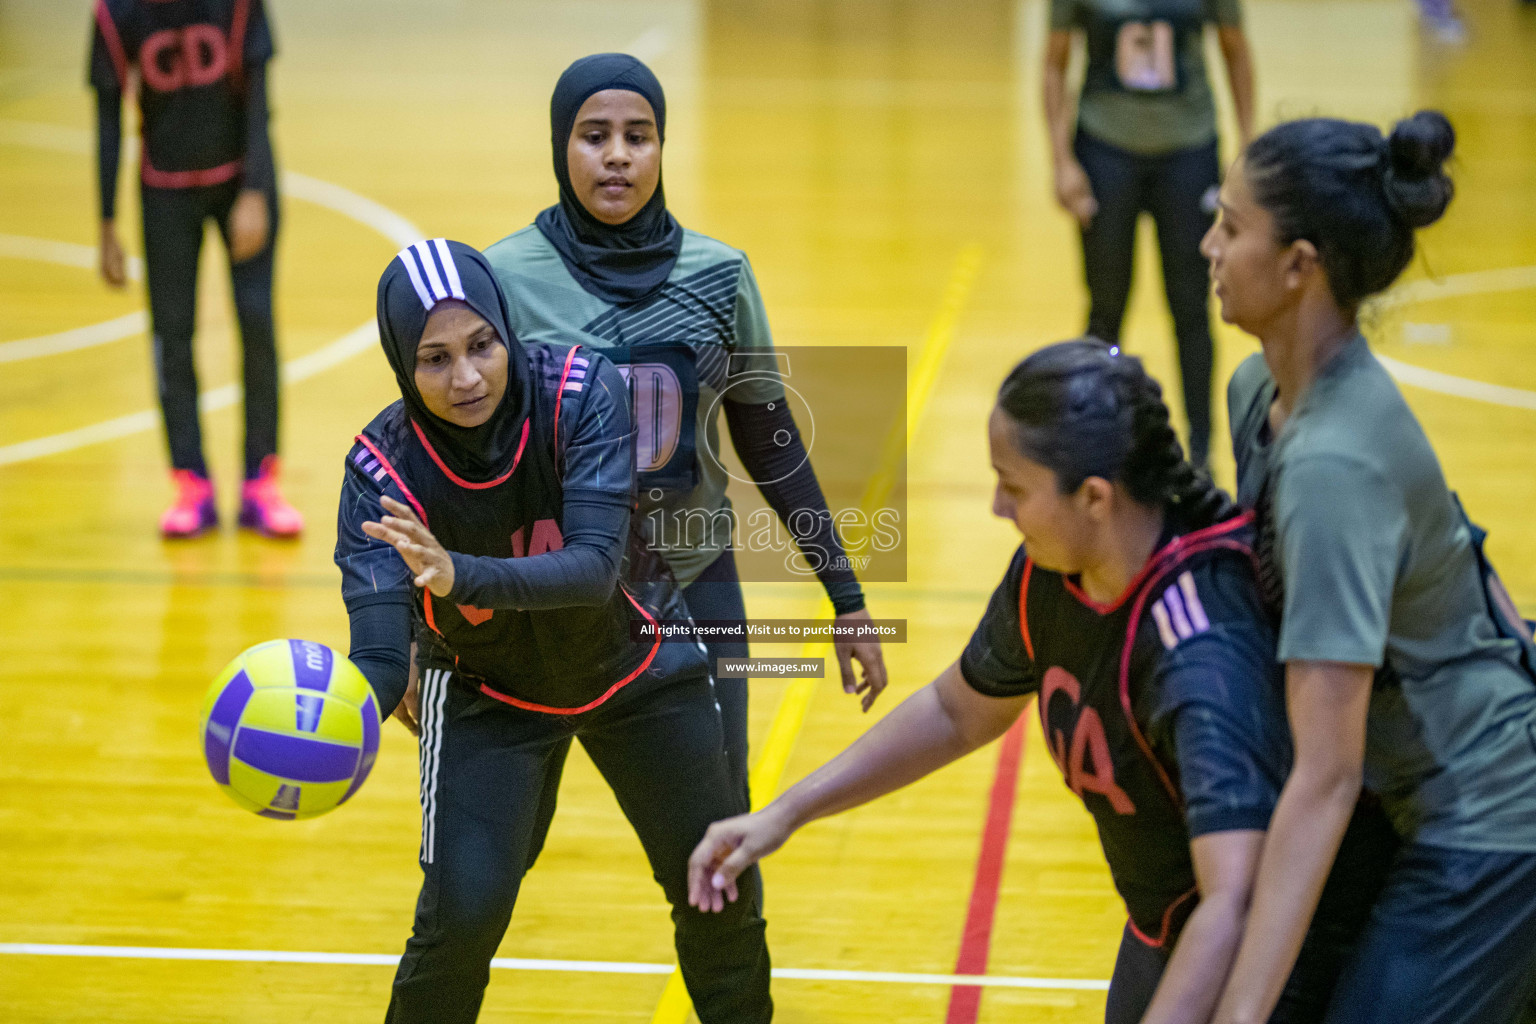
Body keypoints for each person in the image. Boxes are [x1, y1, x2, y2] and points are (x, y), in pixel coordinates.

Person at [688, 340, 1393, 1024]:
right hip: (1167, 921)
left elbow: (1235, 901)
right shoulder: (1053, 572)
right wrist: (784, 814)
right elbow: (956, 711)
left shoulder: (1199, 650)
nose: (996, 506)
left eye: (1014, 486)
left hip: (1281, 946)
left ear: (1094, 497)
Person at [333, 239, 771, 1023]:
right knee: (461, 915)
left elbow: (594, 568)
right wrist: (331, 716)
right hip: (487, 694)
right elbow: (378, 652)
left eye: (481, 345)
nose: (466, 377)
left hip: (637, 666)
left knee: (716, 885)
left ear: (507, 330)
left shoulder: (578, 394)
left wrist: (457, 573)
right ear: (402, 364)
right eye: (434, 359)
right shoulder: (380, 470)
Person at [484, 54, 889, 812]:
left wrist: (847, 597)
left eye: (638, 136)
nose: (616, 155)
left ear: (662, 149)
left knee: (718, 825)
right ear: (558, 146)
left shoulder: (719, 275)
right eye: (593, 135)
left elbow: (770, 443)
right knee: (509, 834)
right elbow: (462, 464)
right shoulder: (504, 279)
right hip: (549, 593)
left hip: (694, 580)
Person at [1203, 111, 1536, 1024]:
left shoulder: (1334, 467)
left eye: (1232, 227)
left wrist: (1239, 1013)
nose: (1209, 246)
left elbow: (1325, 777)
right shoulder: (1257, 394)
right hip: (1412, 798)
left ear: (1300, 264)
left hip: (1491, 825)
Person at [89, 0, 301, 538]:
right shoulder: (117, 14)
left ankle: (261, 480)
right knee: (172, 339)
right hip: (164, 194)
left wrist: (255, 191)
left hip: (240, 183)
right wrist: (108, 221)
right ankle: (192, 482)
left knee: (256, 326)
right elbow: (108, 115)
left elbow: (258, 104)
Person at [1043, 0, 1255, 466]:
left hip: (1189, 150)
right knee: (1106, 309)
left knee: (1192, 308)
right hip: (1104, 150)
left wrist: (1248, 147)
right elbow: (1054, 63)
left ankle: (1200, 452)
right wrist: (1062, 162)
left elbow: (1235, 49)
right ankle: (1096, 446)